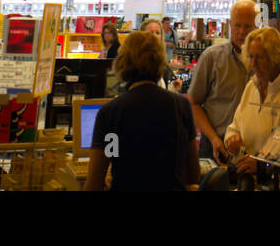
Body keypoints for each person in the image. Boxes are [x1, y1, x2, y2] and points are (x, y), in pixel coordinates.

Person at [84, 31, 199, 191]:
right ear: (160, 61)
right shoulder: (180, 105)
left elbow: (96, 180)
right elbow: (193, 174)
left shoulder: (111, 112)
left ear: (122, 62)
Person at [223, 26, 280, 173]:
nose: (253, 64)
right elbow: (236, 126)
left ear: (275, 58)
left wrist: (263, 166)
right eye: (251, 57)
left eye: (260, 58)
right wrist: (232, 138)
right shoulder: (251, 87)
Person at [188, 0, 256, 162]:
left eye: (247, 26)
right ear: (230, 24)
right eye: (237, 25)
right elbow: (193, 103)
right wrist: (213, 138)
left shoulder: (266, 61)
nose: (241, 32)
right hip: (215, 145)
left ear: (256, 25)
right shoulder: (212, 57)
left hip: (253, 150)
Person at [142, 19, 181, 92]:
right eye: (150, 33)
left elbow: (163, 92)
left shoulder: (162, 64)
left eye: (157, 33)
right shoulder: (136, 62)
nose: (154, 36)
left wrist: (173, 88)